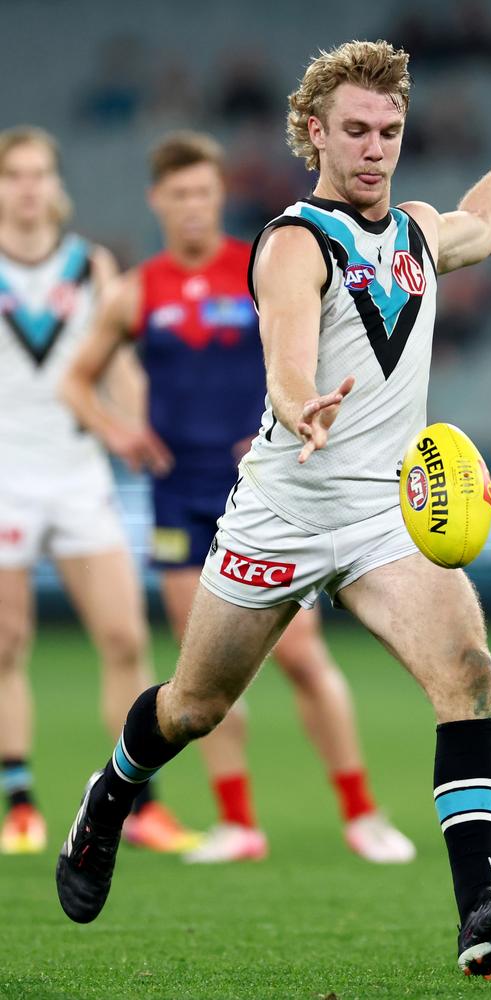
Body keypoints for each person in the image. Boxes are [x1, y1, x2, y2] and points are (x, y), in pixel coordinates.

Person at [55, 42, 491, 978]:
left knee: (467, 670)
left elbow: (482, 222)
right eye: (356, 130)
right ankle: (111, 794)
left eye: (390, 131)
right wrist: (293, 398)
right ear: (314, 131)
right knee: (194, 707)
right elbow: (283, 344)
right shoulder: (291, 241)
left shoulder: (416, 233)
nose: (375, 149)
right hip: (282, 511)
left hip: (385, 517)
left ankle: (478, 906)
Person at [60, 130, 415, 864]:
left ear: (220, 196)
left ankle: (361, 812)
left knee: (303, 657)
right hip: (176, 499)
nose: (193, 206)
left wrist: (286, 418)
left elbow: (311, 354)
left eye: (205, 192)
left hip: (264, 492)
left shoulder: (261, 264)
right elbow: (75, 378)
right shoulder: (137, 290)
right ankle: (238, 823)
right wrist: (117, 430)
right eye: (179, 194)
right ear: (158, 200)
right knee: (204, 670)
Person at [0, 126, 196, 854]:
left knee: (122, 638)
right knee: (8, 644)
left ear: (55, 184)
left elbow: (118, 365)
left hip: (80, 475)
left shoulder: (89, 267)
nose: (27, 187)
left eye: (38, 173)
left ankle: (141, 804)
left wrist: (140, 424)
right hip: (6, 477)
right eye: (14, 174)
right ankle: (19, 800)